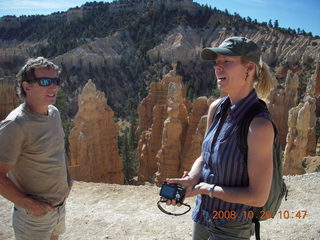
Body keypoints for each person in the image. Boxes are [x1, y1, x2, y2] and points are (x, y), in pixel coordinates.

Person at [167, 36, 275, 240]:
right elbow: (205, 155)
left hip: (231, 225)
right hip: (202, 216)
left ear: (249, 68)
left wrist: (208, 189)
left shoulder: (259, 126)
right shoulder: (216, 108)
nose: (218, 67)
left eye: (226, 62)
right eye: (216, 62)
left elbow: (258, 197)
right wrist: (192, 178)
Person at [0, 57, 73, 240]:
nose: (53, 87)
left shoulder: (53, 113)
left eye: (56, 81)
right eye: (45, 82)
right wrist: (31, 205)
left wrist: (68, 179)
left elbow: (59, 149)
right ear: (27, 87)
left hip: (58, 208)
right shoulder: (16, 124)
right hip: (33, 216)